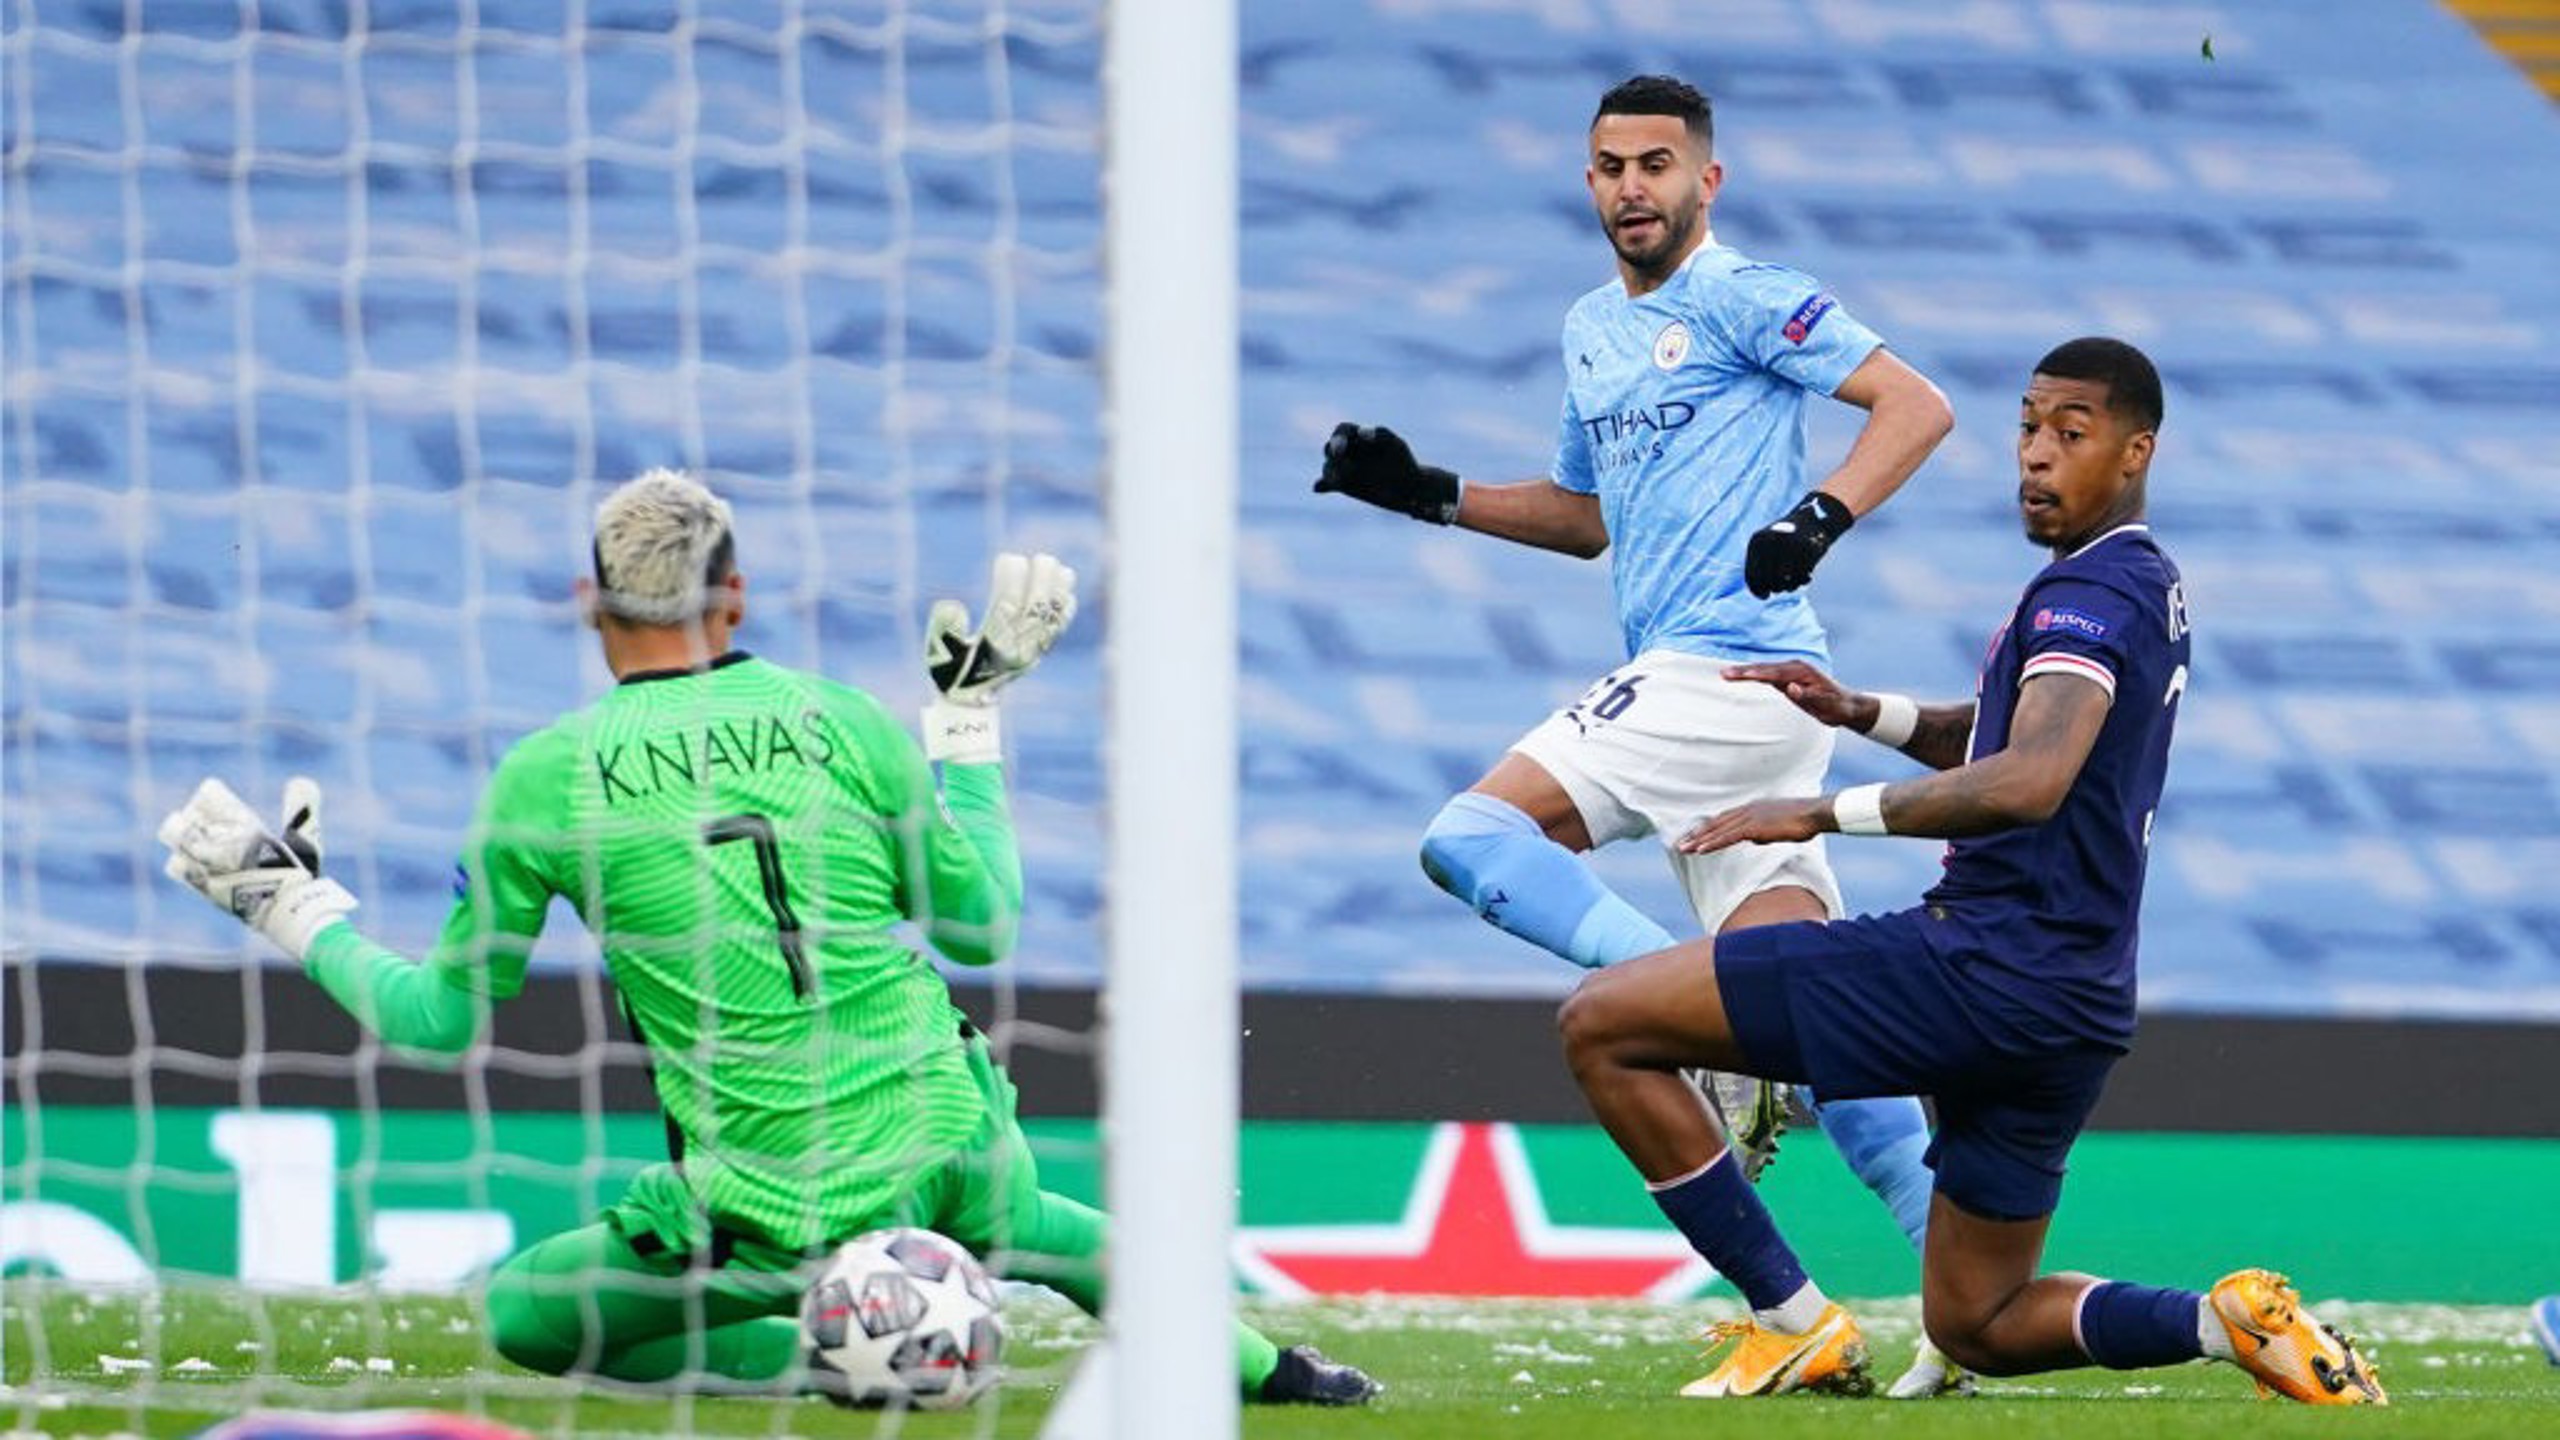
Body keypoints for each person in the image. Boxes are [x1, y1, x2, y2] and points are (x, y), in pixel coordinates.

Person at [156, 469, 1377, 1407]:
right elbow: (983, 926)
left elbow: (436, 1026)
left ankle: (819, 1355)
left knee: (528, 1317)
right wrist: (966, 726)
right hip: (950, 1140)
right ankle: (1282, 1374)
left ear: (589, 604)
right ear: (735, 599)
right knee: (1044, 1227)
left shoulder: (548, 778)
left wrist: (292, 907)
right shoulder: (838, 719)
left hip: (760, 1200)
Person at [1555, 337, 2388, 1404]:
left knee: (1603, 1024)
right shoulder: (2140, 585)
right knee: (1980, 1320)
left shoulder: (2089, 595)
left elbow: (2027, 780)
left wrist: (1817, 809)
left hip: (1979, 966)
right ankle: (2225, 1324)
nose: (2035, 457)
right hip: (2070, 1005)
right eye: (2028, 430)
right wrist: (1864, 713)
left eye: (2068, 436)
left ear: (2135, 452)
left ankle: (1790, 1318)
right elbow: (2004, 745)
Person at [1312, 73, 1962, 1395]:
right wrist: (1427, 495)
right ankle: (1951, 1318)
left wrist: (1820, 517)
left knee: (1471, 834)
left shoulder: (1741, 295)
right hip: (1747, 708)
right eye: (1608, 166)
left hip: (1722, 671)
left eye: (1656, 165)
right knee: (1823, 1019)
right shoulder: (1590, 330)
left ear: (1705, 181)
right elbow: (1584, 514)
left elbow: (1916, 405)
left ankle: (1708, 1035)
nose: (1630, 189)